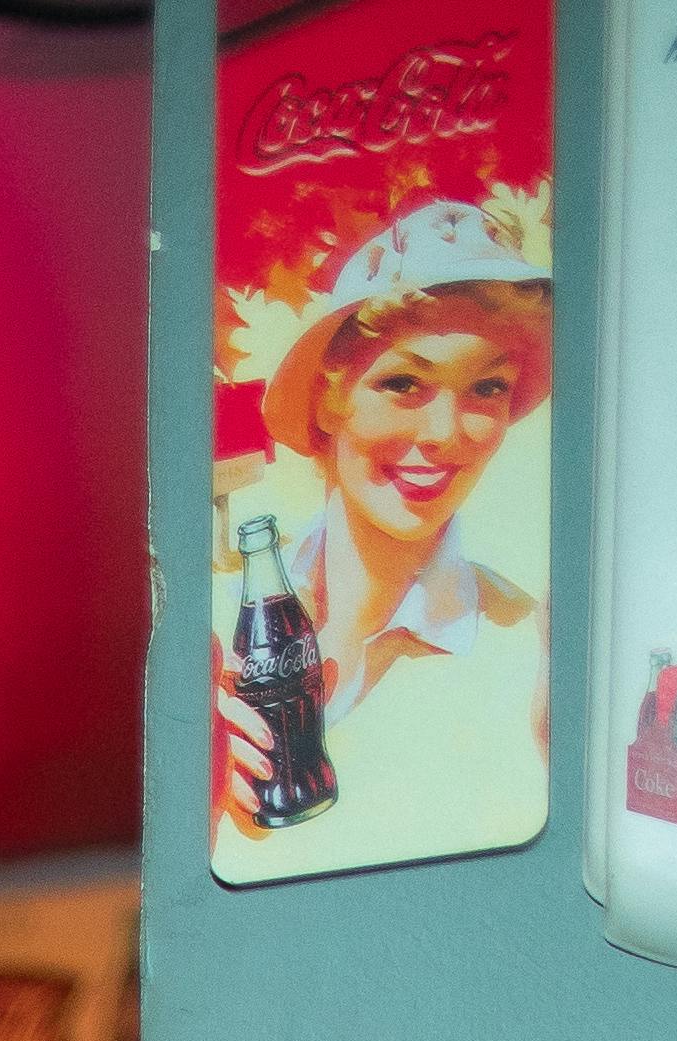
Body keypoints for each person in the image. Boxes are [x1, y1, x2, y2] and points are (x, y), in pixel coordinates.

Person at [214, 202, 550, 868]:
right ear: (327, 399)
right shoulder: (211, 620)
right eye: (403, 383)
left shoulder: (532, 649)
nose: (446, 435)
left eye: (487, 387)